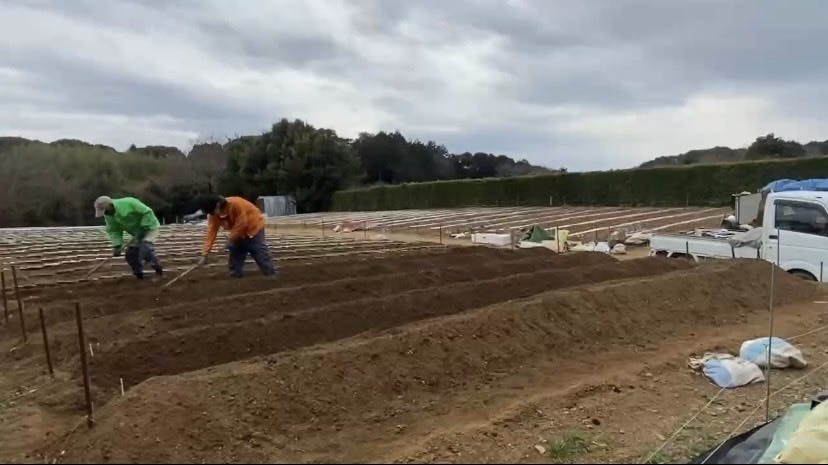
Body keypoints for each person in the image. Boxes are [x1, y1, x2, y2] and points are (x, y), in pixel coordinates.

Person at [196, 195, 277, 278]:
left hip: (254, 228)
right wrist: (204, 254)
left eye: (212, 211)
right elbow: (211, 232)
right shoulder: (213, 215)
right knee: (235, 252)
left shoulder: (236, 204)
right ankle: (235, 276)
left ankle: (271, 275)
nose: (212, 214)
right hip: (238, 233)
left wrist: (230, 239)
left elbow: (242, 223)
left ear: (217, 205)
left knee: (259, 252)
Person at [94, 195, 163, 280]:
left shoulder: (129, 202)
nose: (105, 213)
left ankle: (158, 271)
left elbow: (147, 212)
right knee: (130, 254)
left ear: (110, 205)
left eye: (105, 210)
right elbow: (114, 230)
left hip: (149, 227)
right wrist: (117, 245)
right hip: (136, 233)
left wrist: (144, 226)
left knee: (145, 249)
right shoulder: (109, 215)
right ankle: (138, 274)